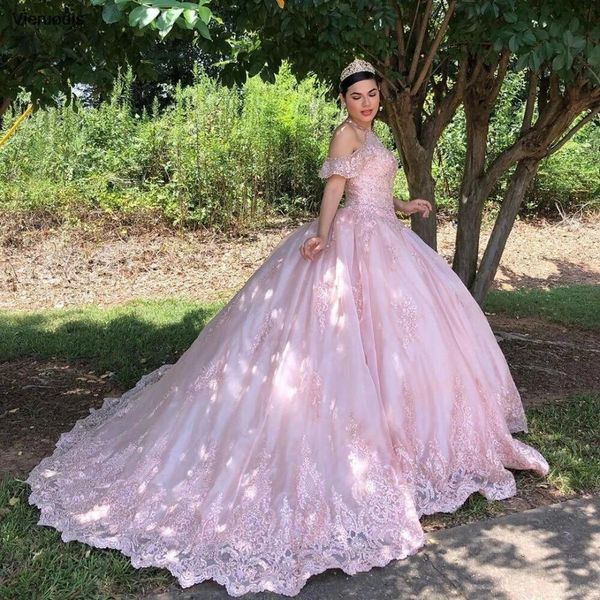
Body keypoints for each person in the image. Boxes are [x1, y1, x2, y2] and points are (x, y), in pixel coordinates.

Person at [26, 58, 549, 598]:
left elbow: (370, 190)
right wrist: (322, 237)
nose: (366, 103)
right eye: (357, 96)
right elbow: (335, 193)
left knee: (402, 343)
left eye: (372, 95)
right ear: (342, 100)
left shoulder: (372, 135)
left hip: (388, 244)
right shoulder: (344, 135)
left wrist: (403, 204)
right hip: (350, 241)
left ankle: (412, 441)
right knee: (343, 344)